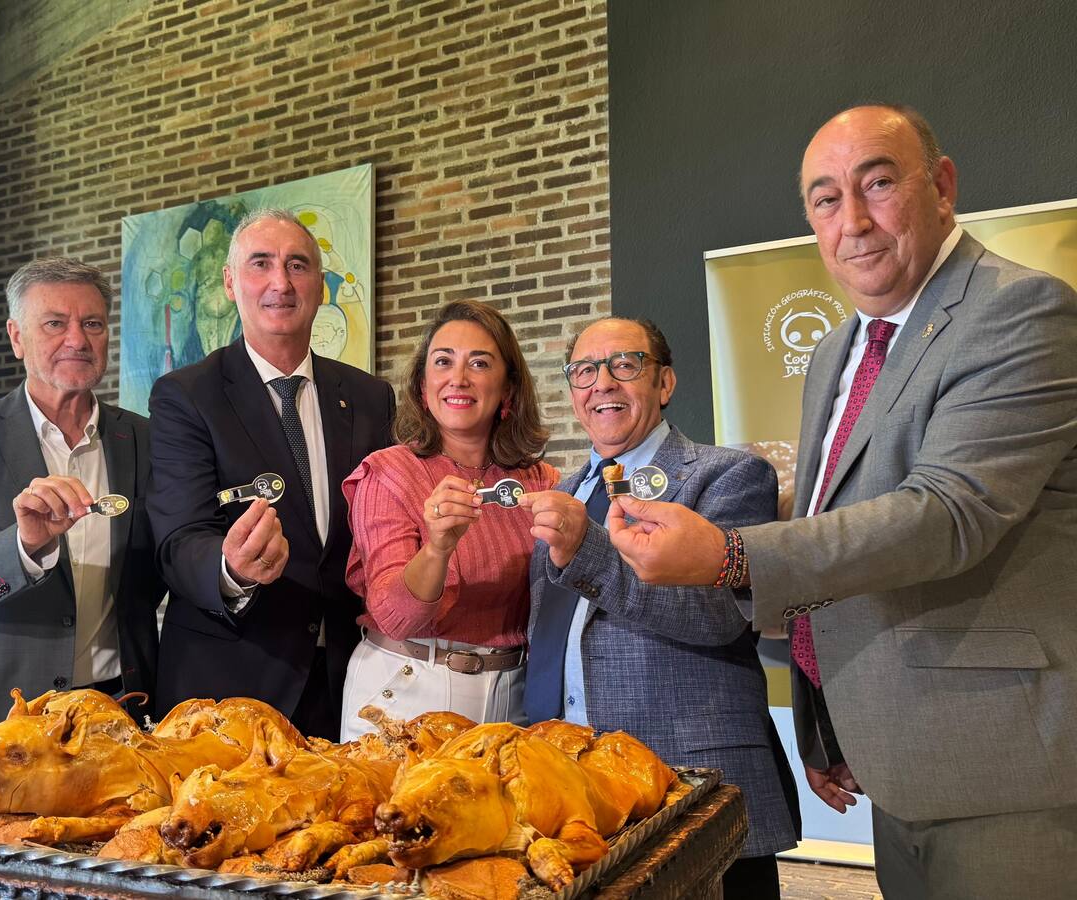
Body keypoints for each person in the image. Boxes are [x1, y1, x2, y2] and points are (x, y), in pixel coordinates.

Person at [606, 105, 1077, 898]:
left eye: (878, 184)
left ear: (942, 186)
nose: (852, 221)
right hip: (891, 758)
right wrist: (827, 720)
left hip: (1006, 774)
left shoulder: (1019, 309)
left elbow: (948, 514)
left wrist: (730, 554)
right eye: (826, 200)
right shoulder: (836, 349)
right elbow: (839, 528)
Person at [518, 316, 799, 899]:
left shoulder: (728, 475)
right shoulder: (563, 492)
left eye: (625, 364)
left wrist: (588, 548)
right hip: (575, 790)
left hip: (691, 781)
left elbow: (719, 615)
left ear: (664, 383)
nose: (603, 383)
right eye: (584, 371)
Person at [146, 208, 394, 741]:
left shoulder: (371, 398)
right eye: (261, 264)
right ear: (230, 283)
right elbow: (177, 538)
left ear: (320, 287)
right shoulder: (186, 396)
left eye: (297, 265)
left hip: (347, 687)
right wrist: (231, 568)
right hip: (232, 689)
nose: (281, 282)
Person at [0, 257, 166, 729]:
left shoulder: (146, 439)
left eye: (92, 324)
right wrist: (24, 545)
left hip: (119, 706)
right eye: (55, 323)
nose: (78, 339)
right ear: (16, 338)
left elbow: (159, 567)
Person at [338, 300, 557, 740]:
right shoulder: (388, 473)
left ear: (508, 390)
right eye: (443, 362)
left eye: (479, 363)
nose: (459, 378)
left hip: (514, 697)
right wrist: (438, 549)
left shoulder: (541, 481)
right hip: (407, 693)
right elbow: (396, 618)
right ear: (423, 387)